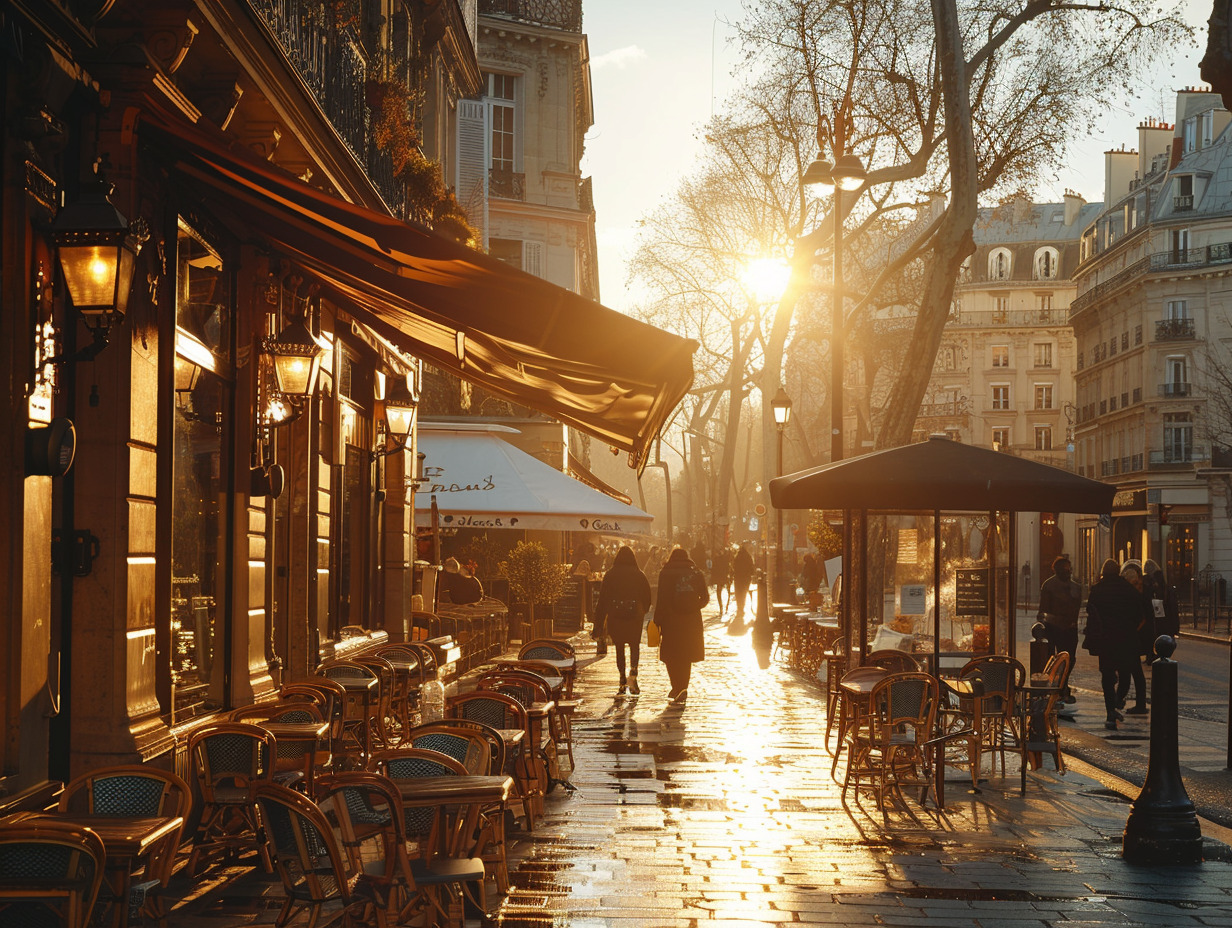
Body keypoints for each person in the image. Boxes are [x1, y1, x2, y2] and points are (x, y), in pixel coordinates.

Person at [1084, 558, 1151, 730]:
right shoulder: (1128, 590)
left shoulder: (1097, 590)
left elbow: (1091, 612)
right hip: (1126, 638)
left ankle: (1110, 712)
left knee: (1107, 677)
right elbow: (1140, 616)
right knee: (1125, 673)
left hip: (1105, 639)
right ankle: (1117, 701)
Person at [593, 546, 652, 696]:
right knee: (634, 646)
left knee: (619, 648)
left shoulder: (610, 575)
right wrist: (641, 611)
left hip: (616, 617)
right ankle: (633, 674)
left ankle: (621, 679)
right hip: (634, 617)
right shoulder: (639, 575)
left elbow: (602, 600)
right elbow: (648, 597)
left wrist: (598, 625)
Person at [655, 547, 710, 704]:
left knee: (671, 654)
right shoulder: (695, 573)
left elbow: (661, 599)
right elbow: (705, 598)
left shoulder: (665, 572)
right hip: (691, 621)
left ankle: (676, 686)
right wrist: (693, 606)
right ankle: (683, 688)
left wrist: (657, 621)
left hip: (671, 619)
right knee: (686, 655)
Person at [1037, 555, 1081, 703]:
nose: (1067, 572)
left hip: (1069, 628)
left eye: (1068, 569)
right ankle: (1056, 686)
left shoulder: (1075, 586)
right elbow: (1043, 609)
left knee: (1070, 659)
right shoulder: (1049, 586)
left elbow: (1077, 606)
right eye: (1064, 570)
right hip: (1053, 627)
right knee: (1052, 658)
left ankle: (1063, 685)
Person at [1117, 560, 1150, 715]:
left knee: (1132, 672)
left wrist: (1131, 630)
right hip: (1132, 638)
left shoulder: (1133, 595)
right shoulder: (1134, 594)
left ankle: (1134, 703)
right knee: (1133, 671)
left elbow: (1142, 618)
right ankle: (1127, 700)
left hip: (1129, 639)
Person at [1143, 559, 1180, 653]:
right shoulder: (1163, 582)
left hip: (1156, 614)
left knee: (1154, 635)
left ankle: (1152, 654)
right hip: (1165, 616)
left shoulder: (1148, 581)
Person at [732, 544, 755, 623]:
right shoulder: (748, 556)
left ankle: (739, 608)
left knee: (738, 593)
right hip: (746, 578)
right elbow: (751, 566)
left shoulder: (737, 557)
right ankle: (742, 608)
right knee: (744, 593)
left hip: (738, 578)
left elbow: (734, 566)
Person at [711, 546, 732, 615]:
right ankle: (726, 606)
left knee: (719, 592)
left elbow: (713, 570)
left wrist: (713, 579)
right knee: (728, 592)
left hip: (719, 578)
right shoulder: (726, 559)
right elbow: (728, 568)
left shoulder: (716, 559)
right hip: (725, 577)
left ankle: (721, 607)